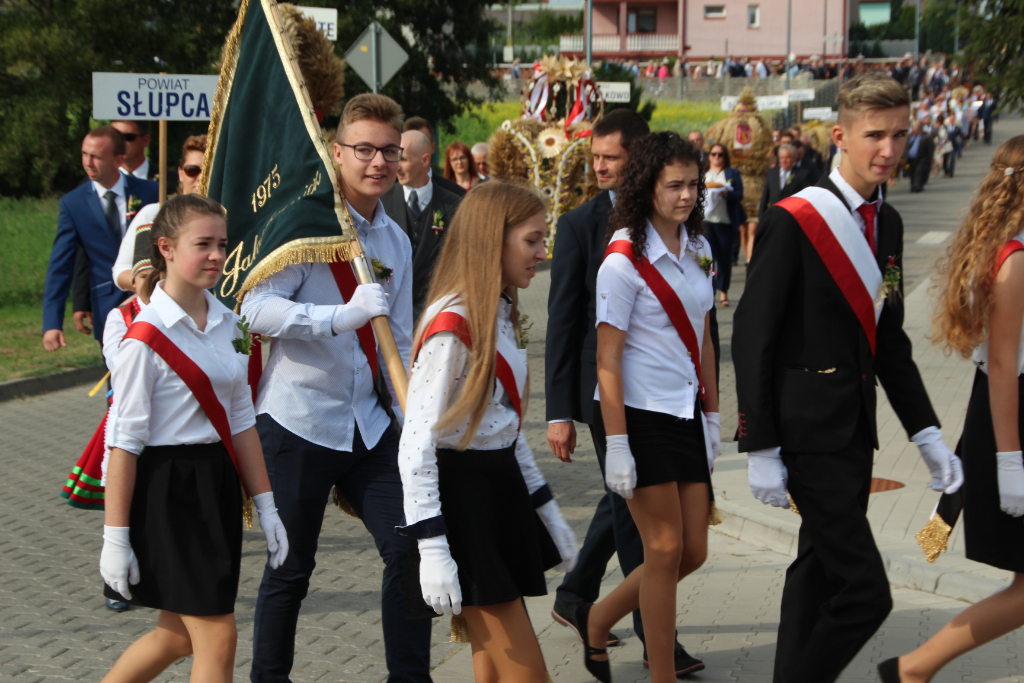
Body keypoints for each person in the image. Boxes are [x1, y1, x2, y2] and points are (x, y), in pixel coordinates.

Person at [732, 72, 963, 683]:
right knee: (867, 594)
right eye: (875, 135)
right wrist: (758, 444)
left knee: (815, 575)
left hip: (855, 434)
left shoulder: (888, 226)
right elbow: (751, 334)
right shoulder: (796, 217)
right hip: (807, 436)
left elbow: (888, 339)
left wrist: (926, 432)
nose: (889, 149)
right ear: (840, 136)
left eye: (900, 135)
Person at [241, 93, 433, 683]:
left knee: (409, 548)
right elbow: (253, 309)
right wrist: (335, 317)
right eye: (364, 149)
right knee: (290, 566)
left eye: (389, 152)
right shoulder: (304, 224)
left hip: (367, 424)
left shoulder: (396, 241)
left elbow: (397, 342)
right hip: (298, 418)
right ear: (337, 150)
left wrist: (415, 424)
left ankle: (409, 676)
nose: (377, 163)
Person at [99, 193, 289, 683]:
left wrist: (266, 505)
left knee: (177, 636)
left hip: (215, 485)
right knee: (218, 636)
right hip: (168, 491)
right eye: (202, 244)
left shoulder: (228, 322)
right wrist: (114, 539)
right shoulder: (143, 339)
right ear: (165, 248)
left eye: (222, 245)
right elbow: (122, 444)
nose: (216, 256)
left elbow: (242, 421)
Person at [546, 111, 708, 675]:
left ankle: (595, 614)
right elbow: (599, 352)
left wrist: (712, 417)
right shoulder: (619, 258)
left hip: (685, 412)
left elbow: (704, 336)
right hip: (636, 415)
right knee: (662, 550)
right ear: (649, 185)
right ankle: (660, 668)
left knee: (693, 552)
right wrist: (613, 442)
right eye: (675, 185)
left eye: (694, 184)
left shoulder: (699, 249)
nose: (686, 196)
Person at [399, 180, 578, 682]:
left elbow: (505, 427)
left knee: (494, 672)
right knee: (526, 673)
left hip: (497, 492)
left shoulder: (498, 310)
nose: (542, 253)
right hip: (463, 503)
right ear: (491, 240)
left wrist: (546, 511)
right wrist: (431, 544)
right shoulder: (453, 326)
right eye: (532, 240)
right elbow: (415, 446)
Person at [877, 136, 1024, 682]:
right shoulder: (1013, 260)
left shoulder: (1006, 248)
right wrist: (1011, 462)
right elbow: (1003, 368)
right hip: (1011, 421)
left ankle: (914, 668)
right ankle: (914, 667)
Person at [42, 126, 158, 353]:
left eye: (96, 156)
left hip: (153, 302)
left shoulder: (152, 192)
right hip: (108, 307)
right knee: (116, 380)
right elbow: (61, 266)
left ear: (118, 160)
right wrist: (51, 324)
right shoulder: (73, 204)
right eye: (84, 154)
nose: (88, 162)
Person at [381, 130, 462, 323]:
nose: (396, 167)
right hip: (393, 320)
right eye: (394, 157)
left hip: (438, 320)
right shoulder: (381, 205)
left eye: (404, 159)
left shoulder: (455, 206)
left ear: (425, 160)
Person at [113, 135, 207, 292]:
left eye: (209, 170)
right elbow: (121, 271)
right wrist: (150, 285)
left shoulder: (227, 218)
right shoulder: (154, 214)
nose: (201, 177)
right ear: (180, 173)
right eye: (192, 170)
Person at [702, 143, 745, 307]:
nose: (717, 157)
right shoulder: (704, 174)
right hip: (706, 221)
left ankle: (723, 290)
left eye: (720, 154)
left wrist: (728, 193)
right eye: (713, 154)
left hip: (725, 221)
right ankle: (709, 289)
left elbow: (739, 194)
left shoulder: (732, 173)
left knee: (724, 259)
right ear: (709, 156)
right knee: (706, 259)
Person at [403, 116, 466, 197]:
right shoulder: (386, 193)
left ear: (432, 148)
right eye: (410, 145)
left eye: (421, 143)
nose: (416, 150)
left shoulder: (455, 193)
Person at [756, 144, 811, 230]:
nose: (784, 160)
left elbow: (805, 199)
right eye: (782, 157)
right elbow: (765, 196)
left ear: (794, 158)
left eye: (787, 157)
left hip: (792, 218)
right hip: (773, 218)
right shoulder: (772, 173)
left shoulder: (802, 174)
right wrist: (761, 218)